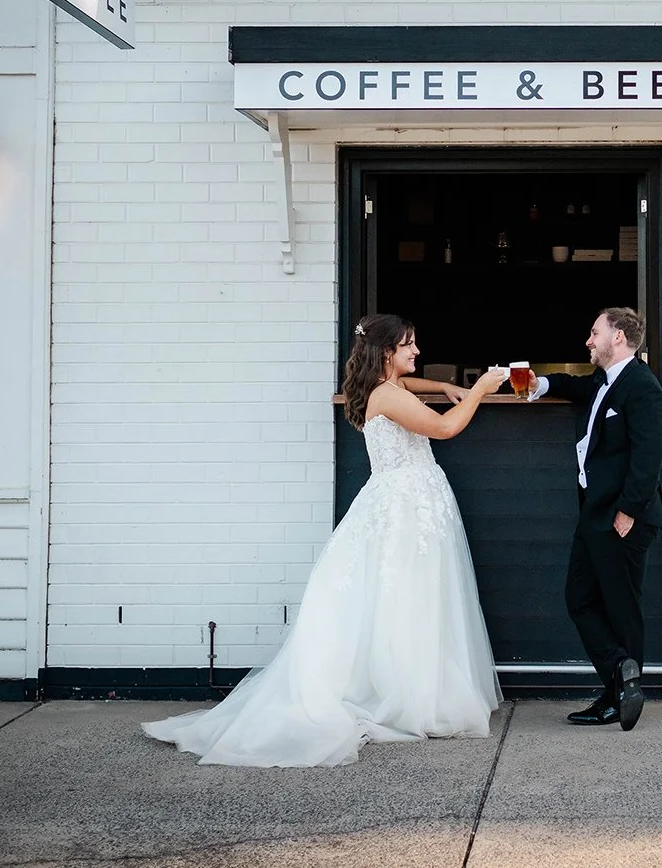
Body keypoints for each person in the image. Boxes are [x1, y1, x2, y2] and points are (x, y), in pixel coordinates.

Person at [141, 314, 509, 766]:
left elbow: (405, 391)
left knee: (412, 597)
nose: (417, 352)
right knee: (405, 597)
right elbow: (445, 429)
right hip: (405, 510)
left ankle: (414, 689)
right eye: (409, 346)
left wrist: (441, 387)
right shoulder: (386, 396)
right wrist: (478, 390)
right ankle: (407, 696)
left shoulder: (384, 387)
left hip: (409, 503)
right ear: (386, 353)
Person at [528, 306, 662, 731]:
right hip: (595, 514)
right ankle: (620, 670)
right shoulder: (604, 382)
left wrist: (627, 511)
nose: (588, 341)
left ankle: (618, 698)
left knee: (622, 608)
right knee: (580, 598)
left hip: (622, 517)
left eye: (594, 333)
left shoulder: (642, 387)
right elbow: (575, 386)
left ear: (618, 337)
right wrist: (541, 383)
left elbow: (648, 459)